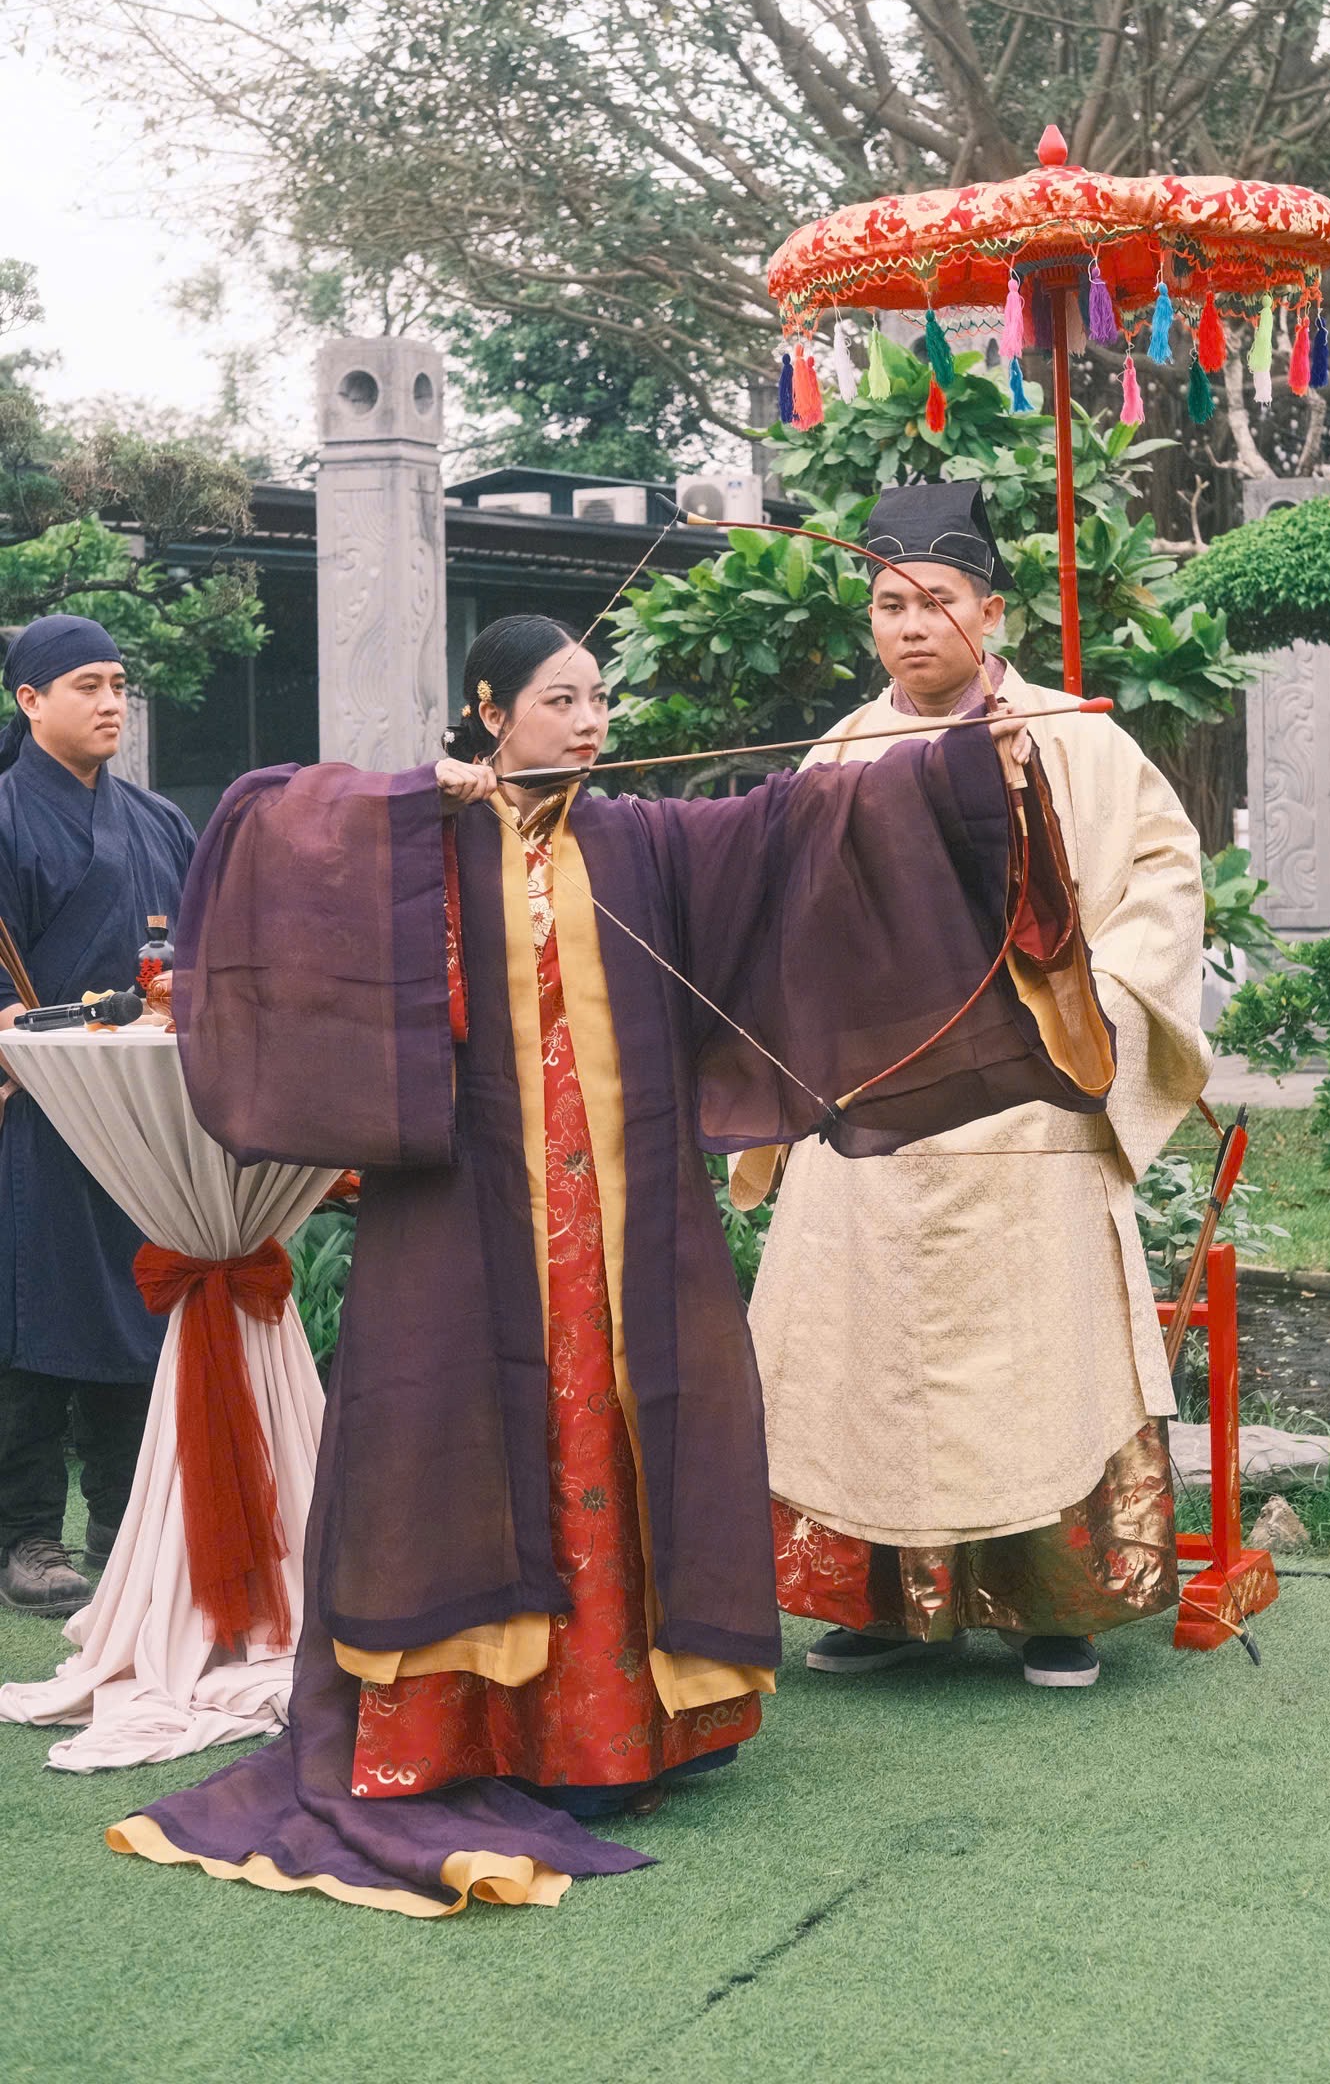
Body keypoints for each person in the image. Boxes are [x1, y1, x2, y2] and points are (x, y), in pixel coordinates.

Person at [110, 610, 1111, 1917]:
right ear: (489, 709)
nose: (589, 723)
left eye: (597, 700)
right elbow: (260, 821)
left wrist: (963, 762)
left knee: (629, 1431)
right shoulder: (420, 834)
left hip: (631, 1221)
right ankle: (468, 1730)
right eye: (559, 700)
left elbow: (794, 822)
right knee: (463, 1442)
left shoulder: (642, 840)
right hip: (462, 1221)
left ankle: (633, 1729)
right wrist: (412, 803)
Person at [747, 482, 1212, 1690]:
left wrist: (1088, 1010)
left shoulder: (1078, 738)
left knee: (1037, 1365)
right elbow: (788, 921)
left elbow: (1164, 879)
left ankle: (1054, 1608)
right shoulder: (838, 752)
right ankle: (880, 1605)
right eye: (888, 604)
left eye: (937, 601)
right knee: (867, 1362)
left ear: (991, 612)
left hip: (1027, 1097)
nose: (911, 625)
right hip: (877, 1111)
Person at [0, 615, 195, 1616]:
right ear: (30, 699)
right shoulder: (4, 816)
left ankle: (126, 1524)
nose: (112, 701)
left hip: (141, 1110)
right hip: (32, 1105)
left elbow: (203, 952)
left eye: (119, 683)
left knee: (137, 1308)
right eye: (88, 684)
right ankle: (27, 1535)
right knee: (28, 1317)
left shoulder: (160, 821)